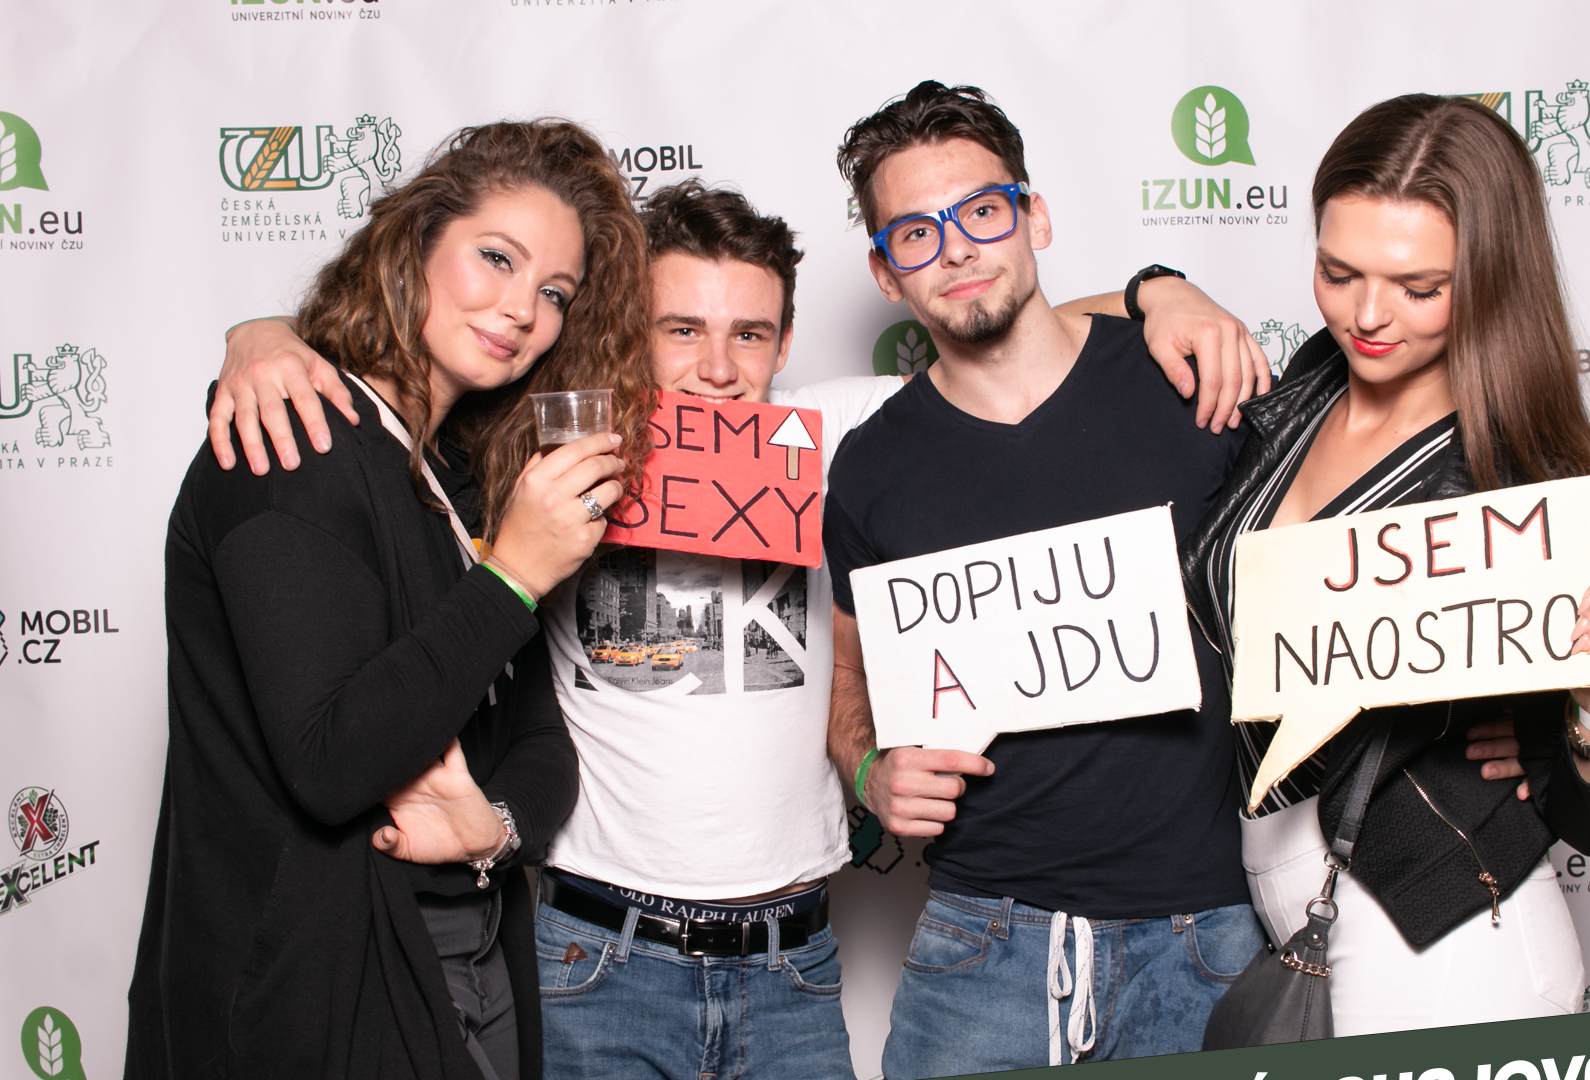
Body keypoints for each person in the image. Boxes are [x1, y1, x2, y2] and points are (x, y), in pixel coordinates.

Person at [202, 173, 1266, 1078]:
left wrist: (1157, 291)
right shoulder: (552, 449)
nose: (718, 367)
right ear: (626, 330)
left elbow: (1007, 334)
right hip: (595, 961)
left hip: (793, 968)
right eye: (682, 330)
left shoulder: (843, 432)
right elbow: (409, 374)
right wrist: (263, 339)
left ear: (785, 340)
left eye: (749, 334)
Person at [125, 120, 647, 1080]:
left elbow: (538, 742)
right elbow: (331, 761)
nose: (521, 310)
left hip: (468, 958)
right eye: (497, 258)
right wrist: (513, 576)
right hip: (316, 991)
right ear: (415, 241)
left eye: (555, 293)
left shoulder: (461, 479)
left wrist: (494, 827)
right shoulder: (293, 443)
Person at [821, 81, 1274, 1077]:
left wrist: (1160, 288)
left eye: (982, 212)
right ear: (886, 273)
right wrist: (867, 770)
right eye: (916, 234)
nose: (956, 250)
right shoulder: (871, 467)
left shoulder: (1183, 379)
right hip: (984, 941)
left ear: (1034, 217)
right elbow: (845, 677)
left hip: (1207, 931)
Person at [1183, 94, 1590, 1035]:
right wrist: (1161, 290)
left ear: (1487, 277)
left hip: (1446, 938)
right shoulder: (1314, 380)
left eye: (1418, 287)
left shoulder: (1517, 485)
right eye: (1338, 272)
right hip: (1288, 905)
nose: (1368, 315)